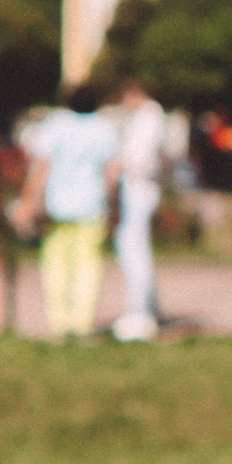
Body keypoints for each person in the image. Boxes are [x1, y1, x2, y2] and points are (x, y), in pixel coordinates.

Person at [14, 79, 116, 342]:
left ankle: (59, 323)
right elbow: (110, 172)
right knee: (87, 266)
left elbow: (41, 167)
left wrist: (28, 202)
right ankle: (81, 323)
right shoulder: (104, 128)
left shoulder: (55, 125)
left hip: (57, 205)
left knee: (55, 264)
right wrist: (113, 205)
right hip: (91, 205)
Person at [108, 73, 169, 344]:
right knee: (133, 249)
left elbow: (140, 157)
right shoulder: (146, 116)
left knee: (134, 251)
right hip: (136, 187)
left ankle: (140, 312)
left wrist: (117, 165)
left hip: (139, 187)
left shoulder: (150, 115)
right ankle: (146, 308)